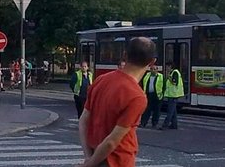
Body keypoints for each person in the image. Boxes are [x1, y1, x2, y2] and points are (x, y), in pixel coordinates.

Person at [78, 37, 155, 167]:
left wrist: (88, 157)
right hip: (118, 161)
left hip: (93, 154)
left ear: (124, 55)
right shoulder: (137, 97)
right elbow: (112, 142)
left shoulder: (101, 80)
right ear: (152, 62)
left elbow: (83, 120)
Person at [160, 62, 184, 130]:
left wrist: (168, 77)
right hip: (172, 94)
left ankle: (165, 125)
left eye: (167, 67)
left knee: (170, 111)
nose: (166, 68)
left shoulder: (175, 73)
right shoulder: (173, 73)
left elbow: (174, 82)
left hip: (173, 95)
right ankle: (174, 125)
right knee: (173, 111)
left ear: (170, 66)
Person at [140, 64, 164, 128]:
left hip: (157, 96)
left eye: (154, 69)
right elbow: (143, 84)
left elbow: (164, 86)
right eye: (151, 69)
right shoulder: (147, 75)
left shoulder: (161, 76)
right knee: (146, 110)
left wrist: (162, 94)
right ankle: (143, 123)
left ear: (157, 70)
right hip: (148, 95)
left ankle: (154, 124)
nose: (153, 70)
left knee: (156, 111)